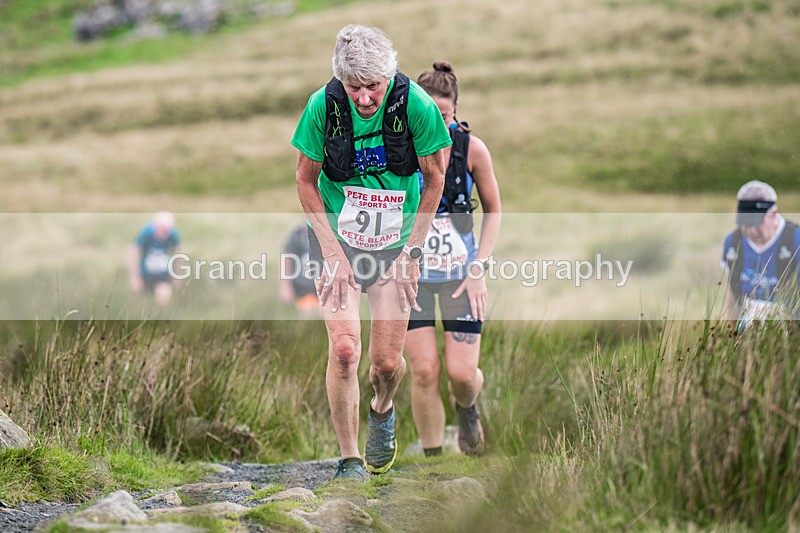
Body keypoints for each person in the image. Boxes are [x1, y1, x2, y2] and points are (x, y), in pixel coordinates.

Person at [291, 24, 450, 480]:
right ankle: (349, 459)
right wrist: (333, 254)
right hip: (335, 237)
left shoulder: (415, 105)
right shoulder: (322, 106)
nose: (363, 98)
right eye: (354, 87)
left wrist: (412, 254)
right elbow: (305, 180)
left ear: (389, 76)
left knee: (385, 363)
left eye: (373, 87)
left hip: (395, 243)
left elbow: (435, 177)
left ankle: (382, 409)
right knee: (344, 350)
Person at [404, 62, 502, 457]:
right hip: (414, 278)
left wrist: (479, 267)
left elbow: (494, 210)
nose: (435, 124)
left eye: (443, 116)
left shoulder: (472, 150)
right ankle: (433, 465)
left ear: (455, 113)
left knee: (462, 376)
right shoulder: (403, 149)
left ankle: (468, 408)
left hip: (462, 276)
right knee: (424, 370)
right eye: (428, 115)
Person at [721, 180, 800, 331]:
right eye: (745, 223)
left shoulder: (795, 241)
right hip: (746, 334)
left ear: (773, 215)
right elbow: (731, 294)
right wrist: (731, 336)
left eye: (756, 222)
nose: (750, 230)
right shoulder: (733, 242)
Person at [127, 211, 181, 306]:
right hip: (144, 275)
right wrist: (134, 277)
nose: (165, 232)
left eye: (167, 230)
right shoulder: (146, 234)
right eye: (162, 229)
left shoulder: (173, 235)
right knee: (140, 304)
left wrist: (177, 276)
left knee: (163, 299)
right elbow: (133, 253)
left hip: (162, 276)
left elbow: (179, 255)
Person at [280, 224, 319, 312]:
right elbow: (286, 259)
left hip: (321, 287)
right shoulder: (297, 235)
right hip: (301, 287)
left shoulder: (326, 235)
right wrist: (286, 286)